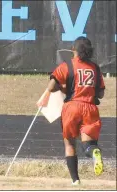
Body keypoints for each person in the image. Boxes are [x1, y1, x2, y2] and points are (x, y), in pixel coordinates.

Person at [37, 36, 105, 185]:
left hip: (72, 108)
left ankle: (75, 180)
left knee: (69, 144)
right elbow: (100, 93)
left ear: (73, 50)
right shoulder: (95, 68)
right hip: (90, 108)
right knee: (89, 144)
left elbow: (52, 85)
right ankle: (94, 152)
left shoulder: (67, 65)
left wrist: (57, 90)